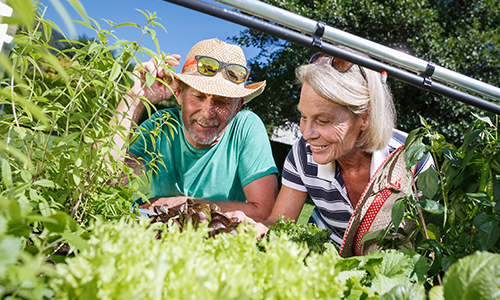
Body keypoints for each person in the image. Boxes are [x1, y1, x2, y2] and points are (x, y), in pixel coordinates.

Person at [234, 51, 433, 245]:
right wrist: (257, 228)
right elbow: (278, 225)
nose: (307, 133)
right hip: (325, 262)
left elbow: (430, 242)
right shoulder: (302, 154)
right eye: (304, 116)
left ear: (365, 117)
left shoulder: (413, 157)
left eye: (323, 120)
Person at [109, 38, 279, 222]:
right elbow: (106, 179)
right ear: (179, 94)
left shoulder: (245, 127)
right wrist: (134, 99)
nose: (208, 113)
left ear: (237, 107)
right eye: (198, 96)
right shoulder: (162, 124)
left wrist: (186, 205)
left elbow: (264, 211)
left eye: (222, 102)